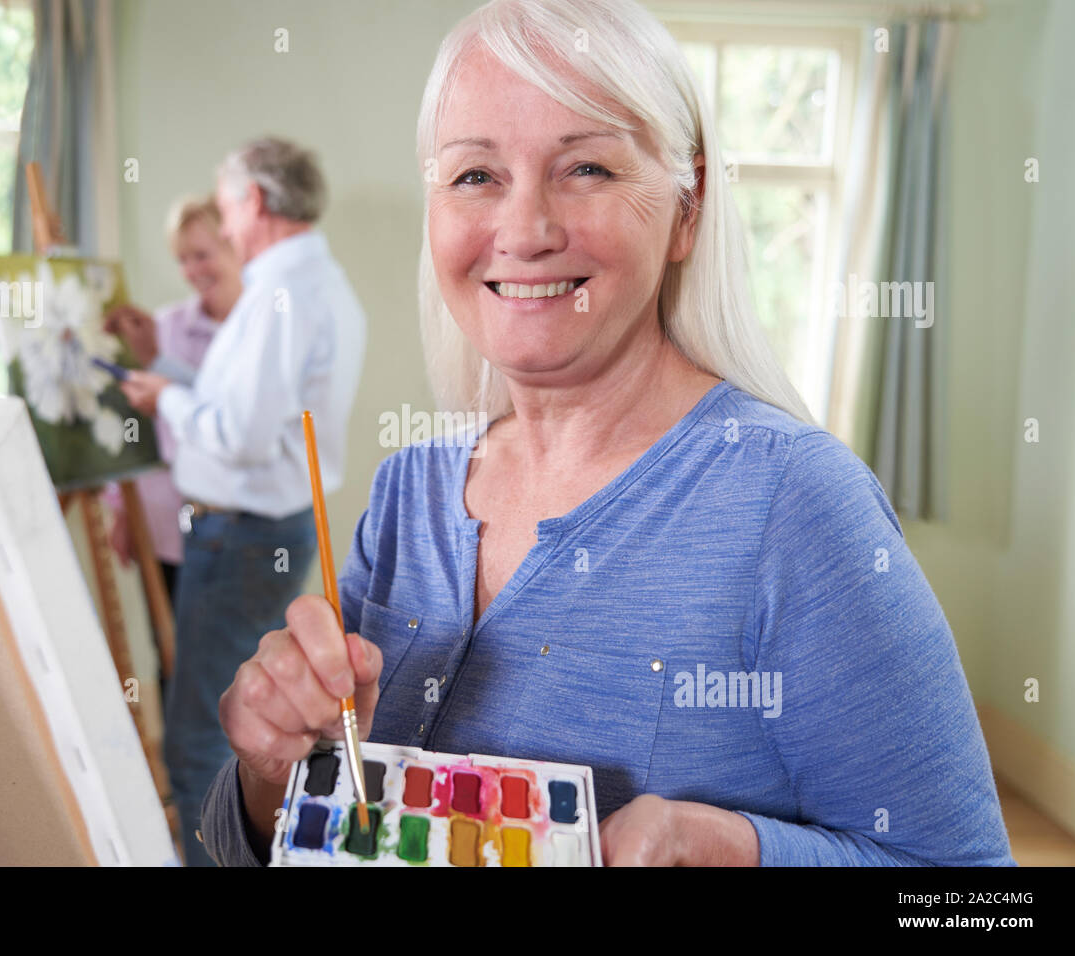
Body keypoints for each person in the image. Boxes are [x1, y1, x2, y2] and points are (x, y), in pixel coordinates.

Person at [201, 0, 1014, 867]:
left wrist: (737, 850)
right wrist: (267, 772)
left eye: (586, 167)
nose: (524, 230)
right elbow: (289, 833)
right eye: (476, 176)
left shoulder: (798, 505)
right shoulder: (408, 491)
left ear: (687, 209)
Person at [118, 137, 367, 866]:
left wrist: (165, 396)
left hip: (240, 538)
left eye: (226, 208)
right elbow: (244, 407)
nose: (224, 230)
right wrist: (163, 370)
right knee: (267, 725)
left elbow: (239, 435)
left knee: (203, 736)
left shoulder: (278, 296)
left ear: (253, 202)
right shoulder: (316, 286)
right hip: (267, 531)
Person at [103, 196, 241, 603]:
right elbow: (132, 423)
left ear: (235, 245)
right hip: (162, 525)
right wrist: (120, 508)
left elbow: (237, 416)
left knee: (239, 656)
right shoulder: (162, 327)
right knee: (170, 657)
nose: (192, 271)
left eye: (202, 255)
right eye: (182, 259)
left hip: (241, 530)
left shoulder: (260, 332)